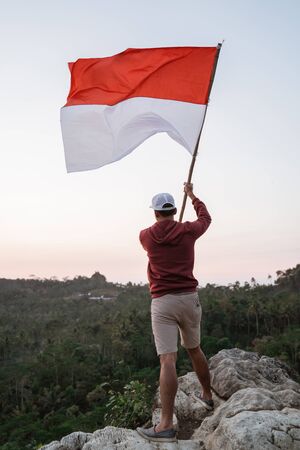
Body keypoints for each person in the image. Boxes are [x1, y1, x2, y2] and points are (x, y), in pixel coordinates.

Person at [136, 183, 213, 443]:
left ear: (156, 213)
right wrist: (193, 196)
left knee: (167, 360)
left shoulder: (145, 235)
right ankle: (207, 395)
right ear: (173, 210)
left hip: (163, 302)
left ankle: (166, 425)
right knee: (194, 349)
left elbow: (162, 237)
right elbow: (206, 219)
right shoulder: (188, 230)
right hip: (188, 298)